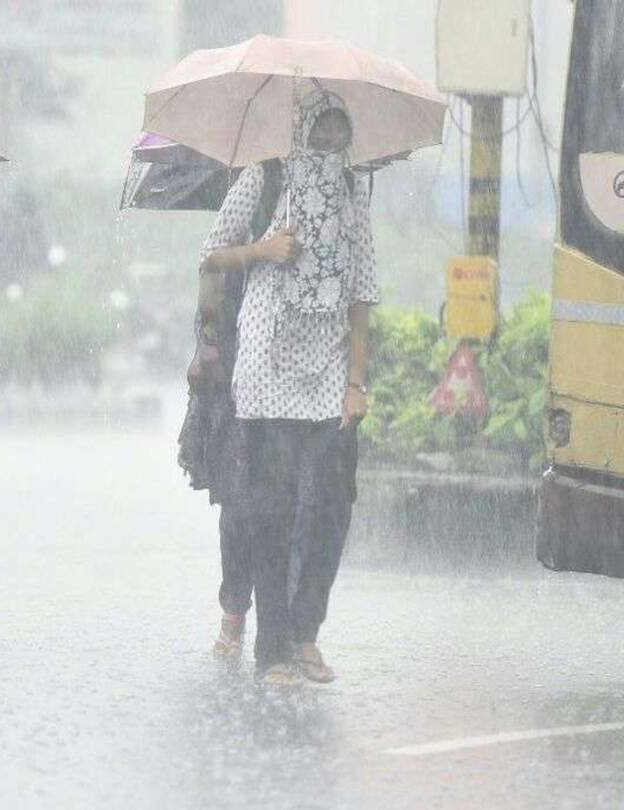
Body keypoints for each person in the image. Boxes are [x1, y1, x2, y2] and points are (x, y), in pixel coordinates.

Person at [197, 90, 379, 685]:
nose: (328, 143)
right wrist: (264, 249)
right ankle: (272, 647)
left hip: (329, 367)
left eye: (337, 133)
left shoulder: (353, 191)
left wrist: (356, 382)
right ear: (301, 130)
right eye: (319, 132)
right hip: (267, 363)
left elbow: (361, 294)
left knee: (330, 505)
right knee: (271, 509)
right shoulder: (266, 175)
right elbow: (213, 254)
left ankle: (305, 633)